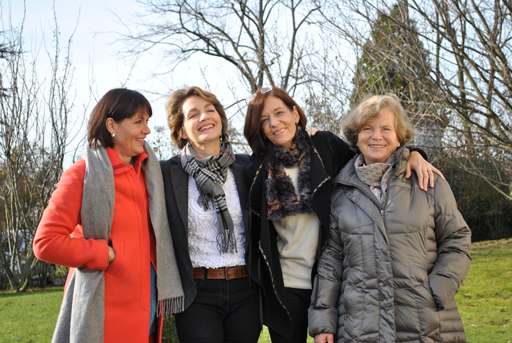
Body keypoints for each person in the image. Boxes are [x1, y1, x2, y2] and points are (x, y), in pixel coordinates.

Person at [243, 86, 441, 343]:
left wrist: (415, 154)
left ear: (294, 113)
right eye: (264, 120)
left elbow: (373, 156)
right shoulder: (256, 169)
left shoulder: (324, 146)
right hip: (286, 286)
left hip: (332, 279)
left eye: (279, 113)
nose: (274, 123)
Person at [308, 94, 472, 343]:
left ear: (399, 137)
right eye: (367, 128)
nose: (376, 136)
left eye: (386, 129)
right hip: (360, 328)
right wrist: (323, 323)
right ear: (356, 135)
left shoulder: (428, 181)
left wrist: (437, 291)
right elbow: (331, 260)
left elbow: (457, 239)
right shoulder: (340, 192)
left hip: (426, 325)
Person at [33, 88, 184, 343]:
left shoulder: (148, 174)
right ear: (112, 125)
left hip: (146, 306)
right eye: (138, 122)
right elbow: (45, 243)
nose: (146, 130)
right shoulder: (82, 174)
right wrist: (104, 254)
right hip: (104, 311)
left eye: (147, 121)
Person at [160, 86, 261, 343]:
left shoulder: (247, 166)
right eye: (193, 115)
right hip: (197, 293)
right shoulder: (167, 174)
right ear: (181, 130)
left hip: (246, 291)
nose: (204, 117)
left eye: (210, 110)